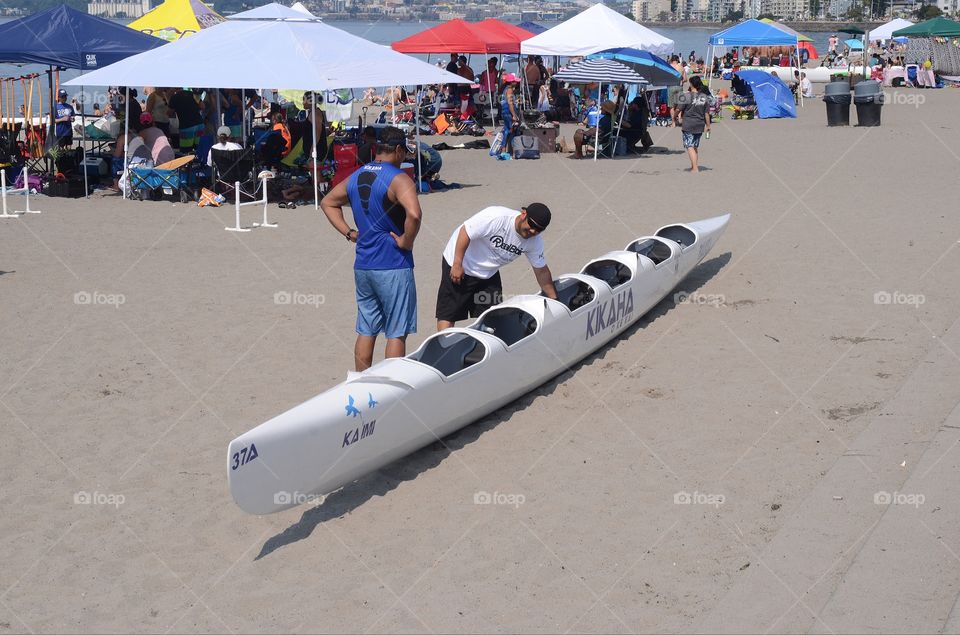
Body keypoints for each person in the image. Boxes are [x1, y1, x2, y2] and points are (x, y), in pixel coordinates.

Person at [319, 126, 422, 371]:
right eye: (404, 152)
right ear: (398, 150)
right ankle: (390, 387)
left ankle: (360, 382)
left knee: (367, 329)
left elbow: (327, 202)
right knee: (396, 331)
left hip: (364, 265)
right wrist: (407, 241)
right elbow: (415, 214)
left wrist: (349, 233)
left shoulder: (357, 175)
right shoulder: (399, 178)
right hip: (393, 264)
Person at [436, 204, 557, 330]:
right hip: (462, 263)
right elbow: (465, 232)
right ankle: (444, 345)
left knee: (494, 314)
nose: (533, 231)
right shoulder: (496, 217)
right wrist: (457, 264)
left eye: (539, 229)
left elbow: (541, 271)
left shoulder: (535, 241)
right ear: (523, 214)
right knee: (449, 313)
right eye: (531, 225)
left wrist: (555, 300)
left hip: (488, 272)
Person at [675, 76, 712, 174]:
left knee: (690, 146)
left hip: (688, 124)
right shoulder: (704, 97)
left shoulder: (686, 96)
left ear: (691, 84)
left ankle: (695, 168)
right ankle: (693, 165)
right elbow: (706, 113)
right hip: (700, 124)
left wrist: (674, 117)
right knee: (695, 146)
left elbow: (678, 109)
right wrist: (708, 126)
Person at [498, 73, 521, 158]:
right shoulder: (510, 90)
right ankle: (510, 151)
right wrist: (514, 115)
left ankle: (505, 150)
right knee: (510, 131)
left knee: (507, 130)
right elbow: (510, 103)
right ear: (511, 82)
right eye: (515, 81)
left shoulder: (505, 89)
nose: (516, 82)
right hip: (508, 112)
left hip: (505, 111)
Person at [667, 55, 686, 126]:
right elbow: (685, 79)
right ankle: (680, 118)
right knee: (679, 104)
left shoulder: (669, 67)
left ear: (672, 60)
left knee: (671, 106)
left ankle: (673, 122)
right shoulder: (681, 67)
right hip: (679, 86)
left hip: (671, 86)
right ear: (678, 60)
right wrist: (682, 81)